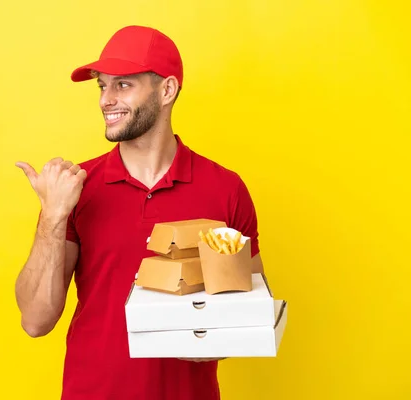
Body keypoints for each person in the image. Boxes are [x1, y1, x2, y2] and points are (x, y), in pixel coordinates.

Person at [14, 25, 264, 400]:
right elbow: (35, 321)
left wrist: (214, 338)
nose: (105, 100)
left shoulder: (225, 190)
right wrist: (52, 215)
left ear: (167, 90)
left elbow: (245, 313)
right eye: (102, 86)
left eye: (123, 85)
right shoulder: (75, 188)